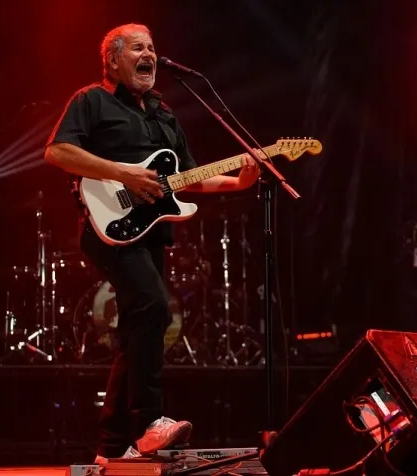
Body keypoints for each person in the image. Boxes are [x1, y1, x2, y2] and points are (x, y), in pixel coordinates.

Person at [44, 24, 260, 464]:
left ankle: (111, 446)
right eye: (138, 48)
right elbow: (57, 152)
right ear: (113, 60)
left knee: (140, 328)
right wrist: (122, 173)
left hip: (151, 233)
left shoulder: (164, 115)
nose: (150, 55)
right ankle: (148, 423)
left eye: (153, 48)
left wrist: (238, 182)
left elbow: (188, 179)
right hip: (109, 226)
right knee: (154, 307)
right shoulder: (92, 100)